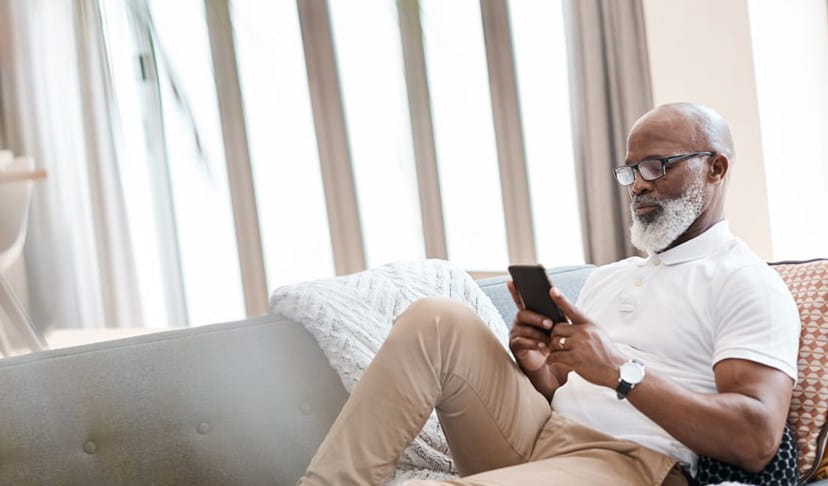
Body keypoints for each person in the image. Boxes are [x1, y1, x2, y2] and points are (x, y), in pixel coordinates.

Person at [297, 103, 801, 485]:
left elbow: (755, 440)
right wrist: (538, 367)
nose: (637, 187)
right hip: (542, 438)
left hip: (633, 462)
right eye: (630, 171)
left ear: (715, 168)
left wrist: (622, 372)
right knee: (436, 318)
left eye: (657, 166)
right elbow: (566, 391)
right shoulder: (611, 276)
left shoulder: (746, 281)